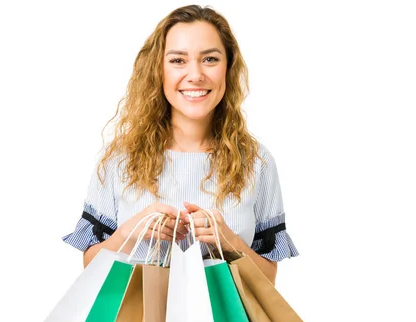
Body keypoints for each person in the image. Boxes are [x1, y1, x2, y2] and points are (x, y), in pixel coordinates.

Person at [63, 4, 298, 284]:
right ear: (158, 69)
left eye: (210, 59)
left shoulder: (256, 161)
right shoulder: (119, 158)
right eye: (178, 60)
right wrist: (130, 233)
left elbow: (268, 280)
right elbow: (90, 269)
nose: (196, 75)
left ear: (228, 67)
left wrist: (229, 241)